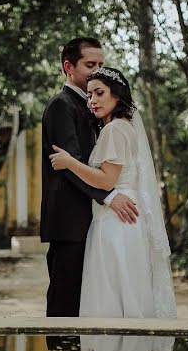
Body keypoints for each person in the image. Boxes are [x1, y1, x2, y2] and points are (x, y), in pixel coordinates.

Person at [49, 66, 176, 319]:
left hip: (115, 222)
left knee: (113, 295)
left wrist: (70, 162)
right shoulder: (123, 126)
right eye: (89, 95)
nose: (92, 101)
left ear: (117, 95)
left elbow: (107, 181)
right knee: (126, 293)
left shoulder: (113, 130)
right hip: (123, 219)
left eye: (99, 93)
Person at [40, 39, 140, 317]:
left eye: (100, 64)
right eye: (90, 65)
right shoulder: (61, 106)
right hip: (69, 221)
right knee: (65, 300)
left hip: (93, 219)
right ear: (68, 67)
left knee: (92, 300)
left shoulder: (95, 108)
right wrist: (109, 195)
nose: (96, 70)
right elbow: (69, 165)